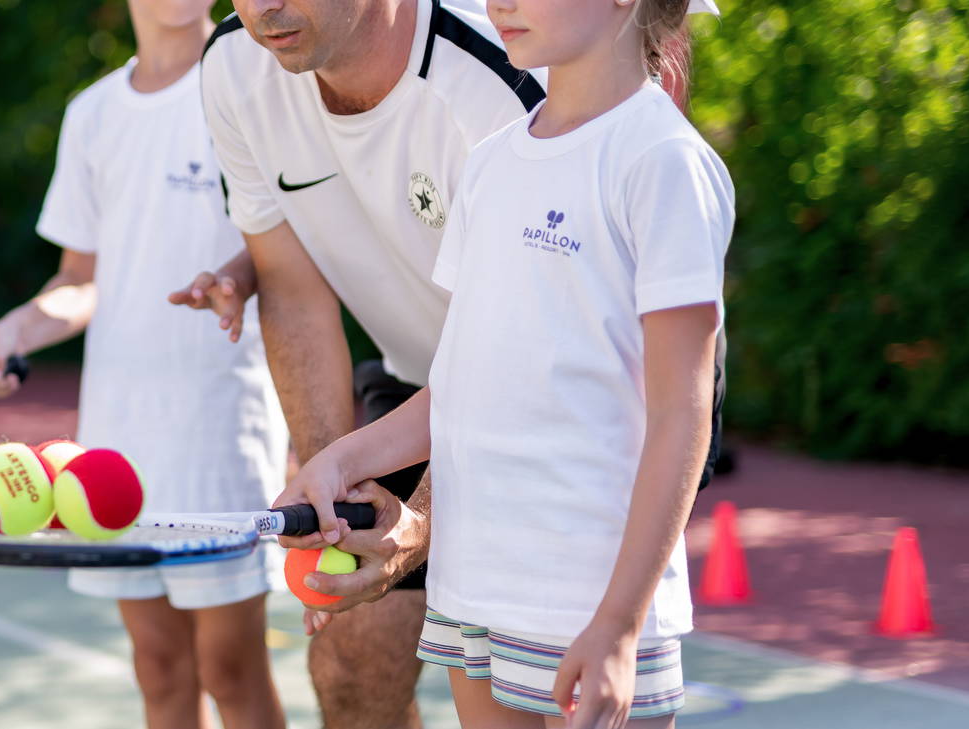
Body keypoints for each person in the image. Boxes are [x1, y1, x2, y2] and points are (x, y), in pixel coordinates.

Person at [289, 0, 732, 722]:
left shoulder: (664, 162)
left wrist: (619, 623)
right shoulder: (491, 161)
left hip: (592, 604)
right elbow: (461, 385)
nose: (499, 2)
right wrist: (340, 460)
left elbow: (682, 418)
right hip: (474, 592)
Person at [167, 0, 550, 724]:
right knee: (352, 663)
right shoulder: (234, 66)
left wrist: (422, 521)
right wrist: (333, 510)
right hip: (418, 383)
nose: (264, 8)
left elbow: (527, 348)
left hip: (560, 397)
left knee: (531, 688)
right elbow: (292, 289)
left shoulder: (502, 82)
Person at [0, 1, 290, 727]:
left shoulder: (257, 78)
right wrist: (15, 329)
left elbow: (290, 240)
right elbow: (80, 279)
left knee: (232, 668)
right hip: (117, 435)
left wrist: (235, 277)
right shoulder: (93, 112)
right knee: (158, 665)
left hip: (219, 422)